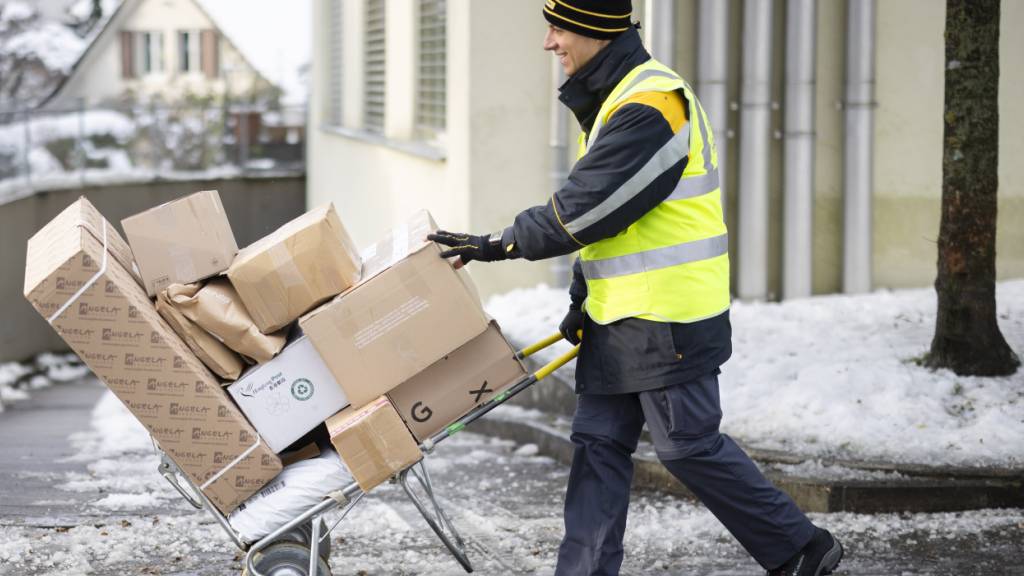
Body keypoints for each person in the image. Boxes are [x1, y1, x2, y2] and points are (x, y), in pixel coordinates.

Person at [429, 1, 844, 574]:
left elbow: (588, 208)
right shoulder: (617, 100)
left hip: (666, 316)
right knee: (598, 446)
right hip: (619, 315)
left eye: (558, 28)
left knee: (687, 445)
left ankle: (801, 548)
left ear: (595, 29)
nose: (549, 43)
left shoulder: (653, 106)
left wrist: (498, 243)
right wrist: (582, 297)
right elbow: (617, 229)